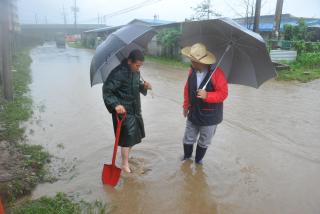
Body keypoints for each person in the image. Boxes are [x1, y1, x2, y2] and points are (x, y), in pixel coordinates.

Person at [102, 49, 152, 173]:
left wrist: (144, 87)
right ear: (130, 61)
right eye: (137, 65)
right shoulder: (118, 73)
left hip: (135, 109)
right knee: (127, 137)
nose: (138, 68)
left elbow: (136, 87)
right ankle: (124, 164)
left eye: (140, 66)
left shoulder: (136, 72)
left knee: (134, 136)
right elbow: (107, 90)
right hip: (123, 112)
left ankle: (125, 159)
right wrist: (116, 105)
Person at [181, 43, 228, 164]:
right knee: (188, 137)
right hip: (194, 111)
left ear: (202, 62)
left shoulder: (217, 73)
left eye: (193, 61)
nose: (191, 62)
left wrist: (207, 95)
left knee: (204, 141)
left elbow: (223, 94)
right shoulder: (191, 71)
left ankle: (198, 161)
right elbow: (187, 89)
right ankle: (186, 159)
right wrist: (185, 106)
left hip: (210, 117)